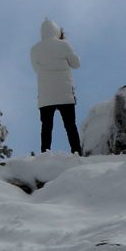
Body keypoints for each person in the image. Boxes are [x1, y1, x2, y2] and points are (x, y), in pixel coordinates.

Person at [31, 18, 82, 154]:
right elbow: (76, 64)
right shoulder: (64, 45)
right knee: (70, 126)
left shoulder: (35, 49)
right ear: (56, 31)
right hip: (64, 93)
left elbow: (36, 69)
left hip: (45, 95)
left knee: (46, 127)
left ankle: (45, 153)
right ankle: (77, 152)